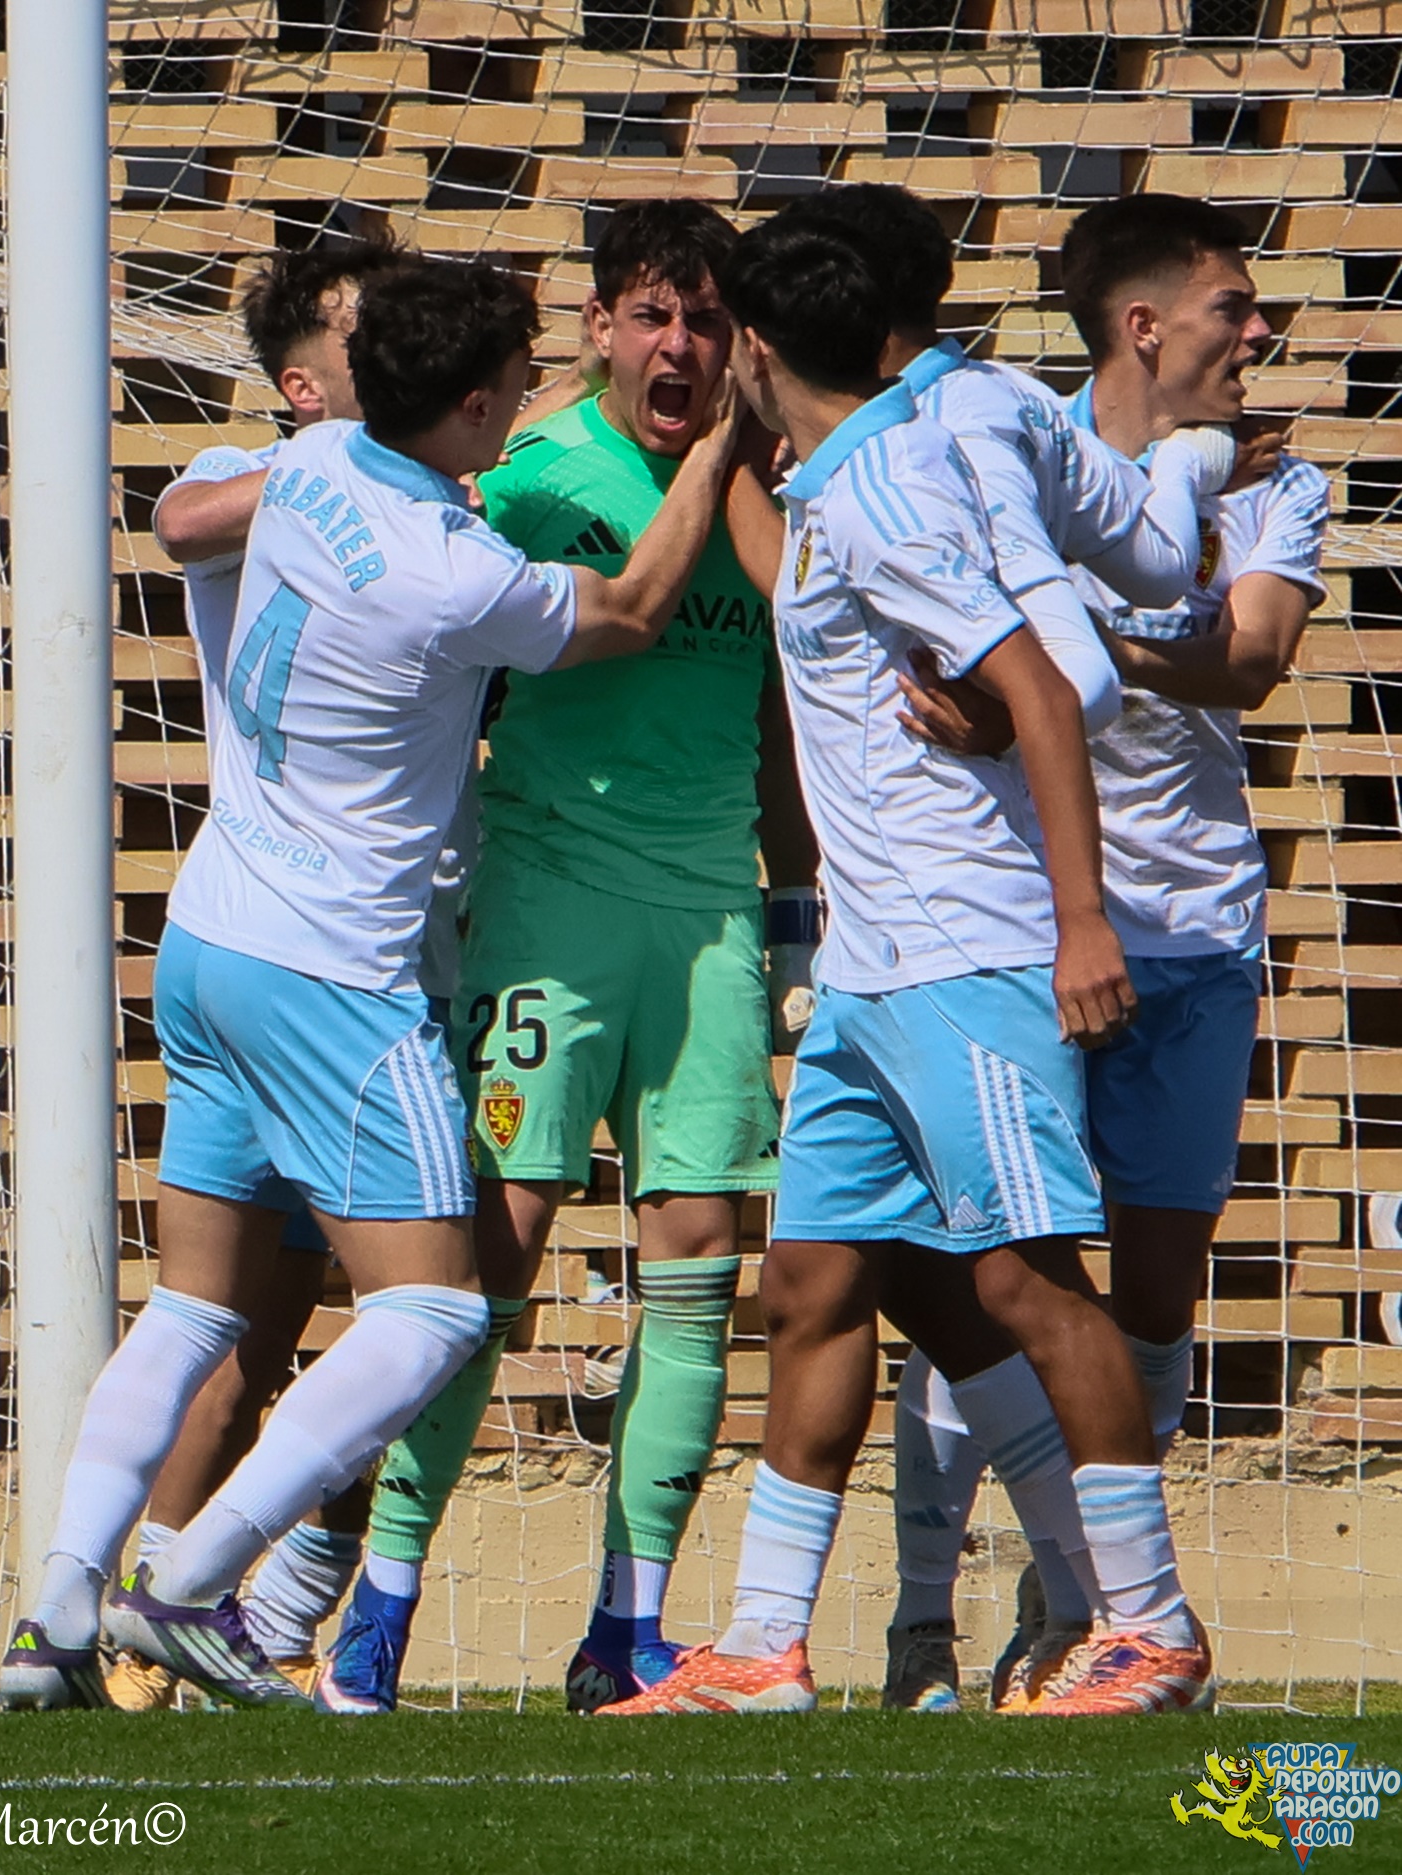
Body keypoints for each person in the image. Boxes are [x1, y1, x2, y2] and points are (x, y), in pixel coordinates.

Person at [0, 254, 739, 1710]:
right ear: (470, 406)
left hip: (210, 939)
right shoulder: (453, 571)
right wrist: (715, 449)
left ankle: (57, 1615)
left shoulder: (310, 463)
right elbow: (635, 611)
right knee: (437, 1314)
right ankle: (193, 1583)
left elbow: (193, 516)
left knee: (195, 1307)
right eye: (515, 387)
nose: (527, 405)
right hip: (336, 973)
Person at [603, 213, 1208, 1719]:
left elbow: (1042, 690)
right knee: (809, 1284)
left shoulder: (891, 489)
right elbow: (796, 581)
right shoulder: (836, 479)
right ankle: (763, 1647)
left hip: (968, 955)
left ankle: (1150, 1631)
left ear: (755, 343)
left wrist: (1081, 924)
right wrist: (731, 457)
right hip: (870, 972)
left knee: (1024, 1283)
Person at [318, 199, 818, 1717]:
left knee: (698, 1259)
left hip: (708, 919)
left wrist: (797, 898)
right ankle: (379, 1604)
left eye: (707, 320)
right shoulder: (532, 480)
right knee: (497, 1252)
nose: (681, 346)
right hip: (547, 908)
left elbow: (784, 702)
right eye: (653, 315)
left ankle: (627, 1631)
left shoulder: (768, 492)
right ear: (600, 328)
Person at [885, 193, 1329, 1713]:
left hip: (1195, 935)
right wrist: (1031, 674)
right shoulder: (1013, 456)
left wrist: (1064, 656)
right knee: (997, 1272)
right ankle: (923, 1624)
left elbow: (1251, 660)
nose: (1259, 332)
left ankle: (1074, 1594)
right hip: (1025, 929)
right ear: (1143, 325)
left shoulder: (1276, 479)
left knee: (1149, 1297)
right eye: (1232, 308)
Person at [102, 235, 404, 1713]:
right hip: (296, 956)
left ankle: (261, 1614)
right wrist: (334, 467)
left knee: (426, 1312)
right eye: (364, 331)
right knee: (265, 1317)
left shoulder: (449, 483)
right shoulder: (266, 471)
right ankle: (146, 1619)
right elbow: (181, 519)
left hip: (420, 942)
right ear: (303, 384)